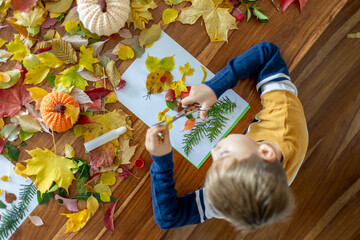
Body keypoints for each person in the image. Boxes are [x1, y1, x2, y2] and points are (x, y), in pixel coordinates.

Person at [145, 41, 308, 231]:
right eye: (223, 154)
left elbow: (168, 219)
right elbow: (267, 53)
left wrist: (162, 162)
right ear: (264, 151)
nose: (214, 150)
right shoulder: (284, 119)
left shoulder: (230, 200)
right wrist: (215, 87)